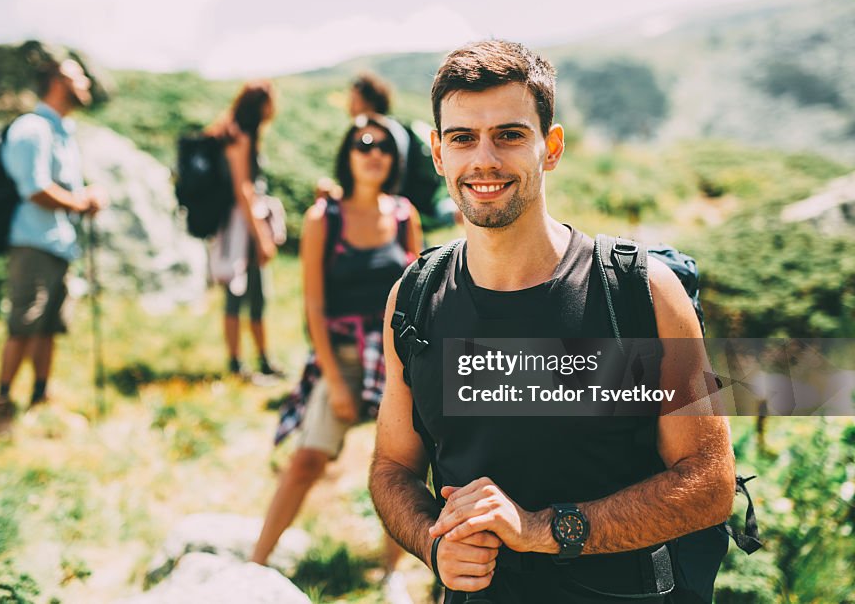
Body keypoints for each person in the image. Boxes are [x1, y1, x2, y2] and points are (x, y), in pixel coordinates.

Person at [368, 40, 736, 602]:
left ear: (552, 146)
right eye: (463, 137)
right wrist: (432, 542)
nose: (484, 159)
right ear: (440, 154)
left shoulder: (639, 293)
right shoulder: (414, 296)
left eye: (510, 134)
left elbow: (709, 483)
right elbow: (393, 466)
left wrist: (543, 530)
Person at [252, 116, 424, 601]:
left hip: (395, 360)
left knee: (403, 466)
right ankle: (255, 564)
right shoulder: (322, 219)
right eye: (363, 144)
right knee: (308, 458)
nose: (374, 153)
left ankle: (391, 570)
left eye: (385, 147)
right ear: (346, 155)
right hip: (342, 356)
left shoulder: (404, 215)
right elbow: (314, 305)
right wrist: (335, 378)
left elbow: (416, 290)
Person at [0, 56, 107, 429]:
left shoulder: (62, 131)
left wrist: (82, 197)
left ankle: (40, 395)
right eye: (78, 76)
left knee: (49, 325)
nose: (86, 82)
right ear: (57, 81)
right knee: (24, 322)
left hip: (57, 244)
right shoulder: (33, 128)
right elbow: (35, 188)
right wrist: (80, 202)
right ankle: (2, 402)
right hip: (33, 243)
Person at [208, 81, 281, 378]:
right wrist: (261, 237)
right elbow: (243, 189)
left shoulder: (234, 131)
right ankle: (248, 361)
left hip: (236, 226)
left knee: (241, 294)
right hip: (242, 229)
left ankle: (248, 360)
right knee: (248, 294)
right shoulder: (240, 136)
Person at [348, 72, 457, 228]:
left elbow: (398, 173)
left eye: (354, 99)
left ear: (368, 101)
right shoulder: (393, 128)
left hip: (398, 213)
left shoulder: (385, 132)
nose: (350, 105)